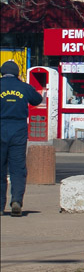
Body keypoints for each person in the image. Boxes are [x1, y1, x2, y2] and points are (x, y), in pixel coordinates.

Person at [1, 60, 44, 217]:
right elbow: (38, 100)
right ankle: (16, 201)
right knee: (18, 168)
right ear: (17, 73)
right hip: (18, 130)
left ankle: (0, 206)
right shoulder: (24, 87)